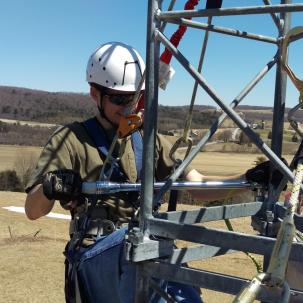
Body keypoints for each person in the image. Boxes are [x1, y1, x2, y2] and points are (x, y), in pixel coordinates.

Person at [24, 42, 276, 303]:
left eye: (133, 97)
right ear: (94, 94)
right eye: (118, 99)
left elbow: (196, 184)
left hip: (146, 246)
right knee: (137, 247)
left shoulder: (147, 140)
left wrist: (247, 180)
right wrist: (51, 186)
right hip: (96, 254)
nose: (128, 106)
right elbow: (33, 210)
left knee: (173, 275)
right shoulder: (71, 140)